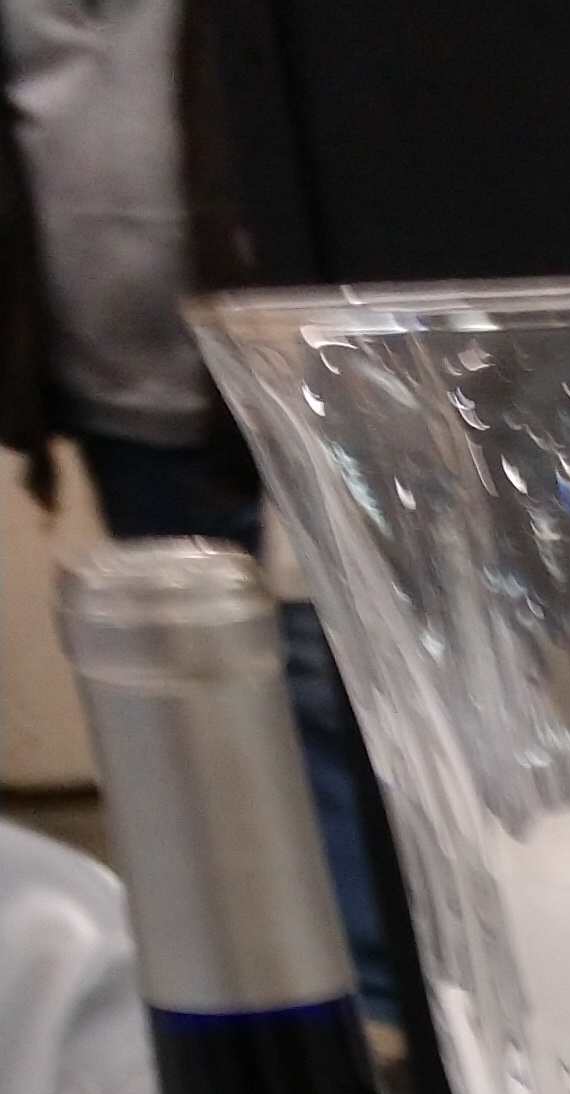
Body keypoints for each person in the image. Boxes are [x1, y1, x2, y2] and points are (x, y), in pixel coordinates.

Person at [0, 0, 394, 1014]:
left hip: (282, 384)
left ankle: (367, 1003)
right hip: (121, 403)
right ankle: (245, 992)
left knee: (317, 685)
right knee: (188, 712)